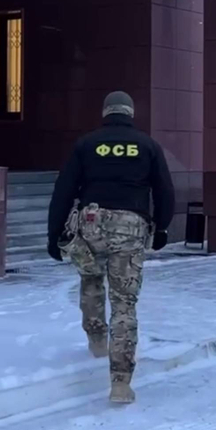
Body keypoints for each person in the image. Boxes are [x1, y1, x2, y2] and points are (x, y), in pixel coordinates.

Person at [47, 91, 175, 404]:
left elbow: (64, 189)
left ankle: (96, 339)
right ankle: (120, 383)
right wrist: (162, 227)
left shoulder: (87, 144)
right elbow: (164, 190)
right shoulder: (147, 145)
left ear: (106, 112)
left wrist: (53, 234)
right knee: (124, 303)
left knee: (90, 279)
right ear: (130, 113)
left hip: (90, 223)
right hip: (131, 226)